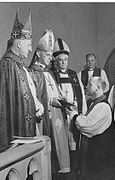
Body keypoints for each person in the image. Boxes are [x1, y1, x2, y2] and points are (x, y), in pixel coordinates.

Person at [29, 30, 70, 179]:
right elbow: (37, 98)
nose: (50, 58)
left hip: (56, 114)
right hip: (45, 117)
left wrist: (61, 97)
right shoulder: (33, 72)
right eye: (47, 55)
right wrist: (52, 101)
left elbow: (53, 91)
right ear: (39, 54)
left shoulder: (48, 71)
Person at [0, 12, 44, 150]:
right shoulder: (8, 66)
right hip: (15, 134)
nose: (31, 49)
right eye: (29, 44)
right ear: (18, 44)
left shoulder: (19, 65)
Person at [66, 77, 115, 179]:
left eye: (90, 84)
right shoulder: (94, 103)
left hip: (101, 156)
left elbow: (87, 125)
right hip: (96, 154)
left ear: (98, 88)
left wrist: (74, 115)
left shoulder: (103, 106)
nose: (86, 86)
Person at [52, 38, 87, 174]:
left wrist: (82, 112)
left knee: (74, 141)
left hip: (73, 111)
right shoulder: (53, 74)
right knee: (62, 141)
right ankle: (64, 169)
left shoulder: (73, 74)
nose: (63, 62)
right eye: (60, 60)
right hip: (60, 112)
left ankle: (75, 168)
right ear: (56, 61)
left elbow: (82, 95)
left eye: (65, 60)